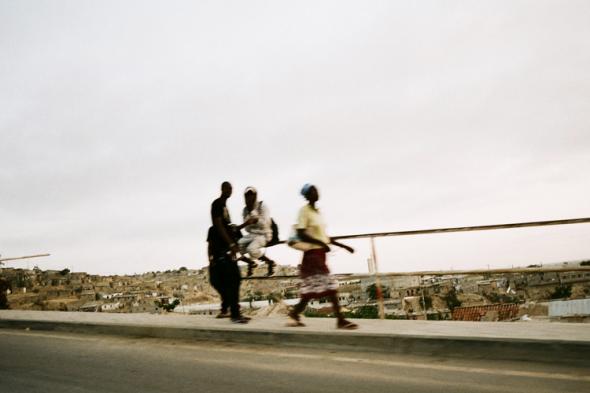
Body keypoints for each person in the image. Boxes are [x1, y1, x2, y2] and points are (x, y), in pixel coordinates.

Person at [287, 184, 358, 329]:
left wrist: (343, 246)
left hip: (319, 254)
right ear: (307, 195)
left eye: (316, 189)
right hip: (312, 255)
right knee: (330, 286)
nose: (316, 192)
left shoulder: (317, 213)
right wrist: (320, 243)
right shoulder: (304, 211)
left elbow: (324, 236)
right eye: (312, 191)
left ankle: (295, 313)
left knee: (310, 290)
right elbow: (301, 233)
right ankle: (340, 320)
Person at [208, 181, 253, 323]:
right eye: (227, 188)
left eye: (231, 189)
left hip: (226, 251)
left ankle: (233, 312)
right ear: (222, 189)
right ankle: (234, 313)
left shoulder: (224, 208)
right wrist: (231, 244)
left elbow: (229, 229)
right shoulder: (217, 204)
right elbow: (219, 225)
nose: (230, 191)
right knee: (233, 280)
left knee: (234, 281)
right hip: (222, 251)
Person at [238, 186, 277, 277]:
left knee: (251, 249)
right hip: (253, 234)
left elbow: (266, 223)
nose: (249, 197)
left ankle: (270, 263)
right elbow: (247, 228)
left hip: (264, 233)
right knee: (239, 245)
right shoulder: (245, 210)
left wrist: (256, 220)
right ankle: (252, 263)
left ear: (255, 196)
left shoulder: (262, 206)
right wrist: (249, 222)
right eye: (247, 195)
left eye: (251, 195)